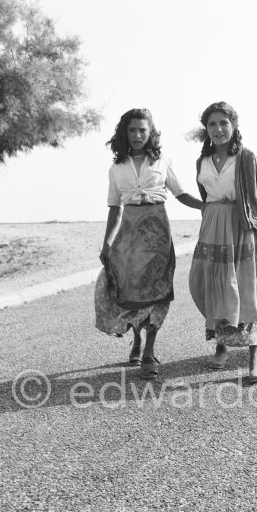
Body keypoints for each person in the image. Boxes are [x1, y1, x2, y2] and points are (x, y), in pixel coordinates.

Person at [95, 108, 202, 380]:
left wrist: (207, 206)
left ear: (151, 132)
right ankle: (137, 339)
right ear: (124, 133)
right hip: (129, 232)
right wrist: (107, 244)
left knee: (158, 291)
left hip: (157, 230)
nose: (137, 135)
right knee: (131, 290)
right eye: (132, 130)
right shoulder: (116, 168)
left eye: (142, 130)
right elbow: (114, 208)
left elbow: (181, 194)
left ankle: (149, 352)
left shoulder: (163, 161)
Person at [188, 102, 257, 384]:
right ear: (206, 130)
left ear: (234, 126)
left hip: (242, 227)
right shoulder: (202, 161)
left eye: (224, 123)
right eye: (212, 124)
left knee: (247, 290)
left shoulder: (247, 158)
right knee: (210, 286)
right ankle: (221, 344)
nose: (218, 129)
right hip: (212, 227)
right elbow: (205, 198)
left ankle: (255, 359)